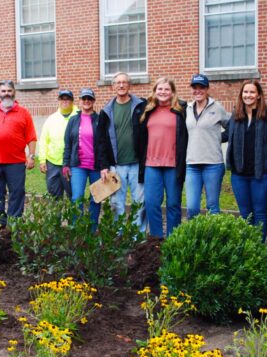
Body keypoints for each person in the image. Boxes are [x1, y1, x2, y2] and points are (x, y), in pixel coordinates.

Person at [224, 80, 267, 242]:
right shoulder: (236, 115)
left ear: (258, 95)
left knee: (260, 212)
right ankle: (248, 246)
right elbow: (226, 135)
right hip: (239, 174)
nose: (248, 95)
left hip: (262, 175)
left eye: (251, 92)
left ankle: (258, 247)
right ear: (241, 95)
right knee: (245, 213)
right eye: (245, 92)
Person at [0, 80, 37, 226]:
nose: (6, 94)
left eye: (9, 91)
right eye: (3, 91)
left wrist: (31, 156)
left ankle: (14, 222)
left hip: (16, 162)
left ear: (14, 92)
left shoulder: (23, 112)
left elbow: (31, 137)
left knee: (16, 193)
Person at [138, 77, 188, 238]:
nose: (163, 92)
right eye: (160, 89)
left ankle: (173, 239)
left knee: (173, 204)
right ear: (155, 91)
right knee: (152, 204)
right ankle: (157, 239)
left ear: (172, 92)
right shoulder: (148, 111)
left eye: (167, 89)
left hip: (173, 165)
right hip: (151, 164)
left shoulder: (180, 111)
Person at [96, 72, 147, 231]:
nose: (121, 85)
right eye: (118, 83)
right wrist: (104, 166)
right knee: (116, 203)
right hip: (116, 166)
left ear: (129, 85)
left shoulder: (141, 106)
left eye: (124, 82)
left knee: (140, 203)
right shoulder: (106, 111)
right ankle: (118, 238)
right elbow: (101, 141)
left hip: (137, 164)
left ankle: (137, 236)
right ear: (113, 86)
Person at [184, 74, 229, 219]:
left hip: (213, 165)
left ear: (207, 88)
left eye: (201, 87)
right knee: (192, 207)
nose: (198, 90)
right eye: (195, 87)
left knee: (212, 206)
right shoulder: (187, 109)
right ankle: (195, 240)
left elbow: (232, 128)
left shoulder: (217, 107)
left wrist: (218, 138)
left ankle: (213, 240)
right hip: (192, 165)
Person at [63, 88, 101, 231]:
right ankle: (77, 229)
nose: (86, 101)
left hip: (96, 167)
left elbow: (104, 143)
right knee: (77, 197)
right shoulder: (73, 120)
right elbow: (67, 144)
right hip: (78, 166)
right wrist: (65, 164)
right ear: (79, 101)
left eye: (89, 99)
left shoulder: (100, 119)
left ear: (93, 101)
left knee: (96, 198)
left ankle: (92, 230)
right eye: (84, 99)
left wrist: (105, 165)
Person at [38, 89, 78, 199]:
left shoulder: (78, 117)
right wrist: (42, 160)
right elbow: (43, 140)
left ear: (72, 101)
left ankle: (74, 216)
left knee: (73, 194)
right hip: (52, 164)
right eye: (62, 99)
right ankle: (57, 216)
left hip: (71, 163)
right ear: (58, 101)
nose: (65, 101)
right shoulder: (51, 118)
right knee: (54, 195)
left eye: (68, 99)